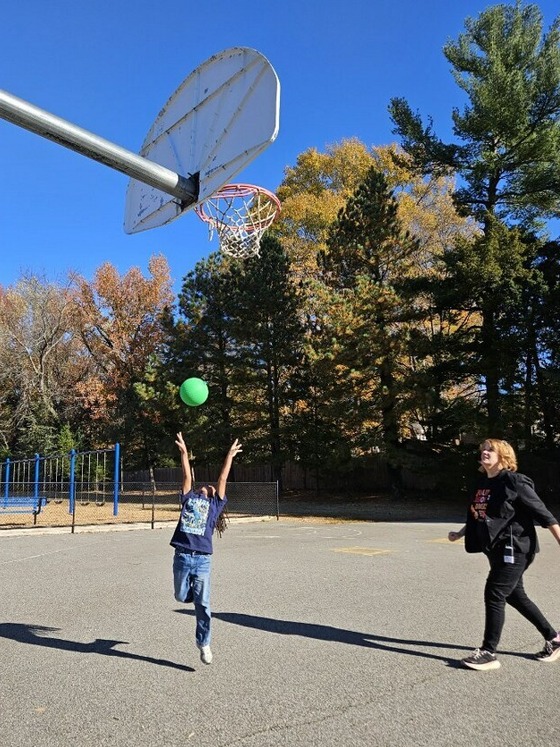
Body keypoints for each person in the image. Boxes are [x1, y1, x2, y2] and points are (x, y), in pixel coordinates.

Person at [448, 438, 560, 671]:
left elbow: (545, 514)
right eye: (483, 450)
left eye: (491, 450)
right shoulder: (482, 484)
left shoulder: (514, 482)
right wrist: (459, 533)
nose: (485, 453)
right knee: (515, 595)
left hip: (516, 548)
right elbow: (479, 515)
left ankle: (489, 652)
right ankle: (554, 639)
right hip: (495, 549)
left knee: (495, 592)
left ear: (503, 456)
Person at [170, 432, 242, 665]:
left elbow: (222, 480)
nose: (207, 487)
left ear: (213, 497)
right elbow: (186, 475)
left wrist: (229, 456)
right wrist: (183, 452)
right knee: (181, 597)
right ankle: (191, 592)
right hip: (182, 556)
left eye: (210, 488)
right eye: (205, 485)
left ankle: (204, 642)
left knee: (203, 604)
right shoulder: (188, 498)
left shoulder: (214, 506)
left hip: (202, 560)